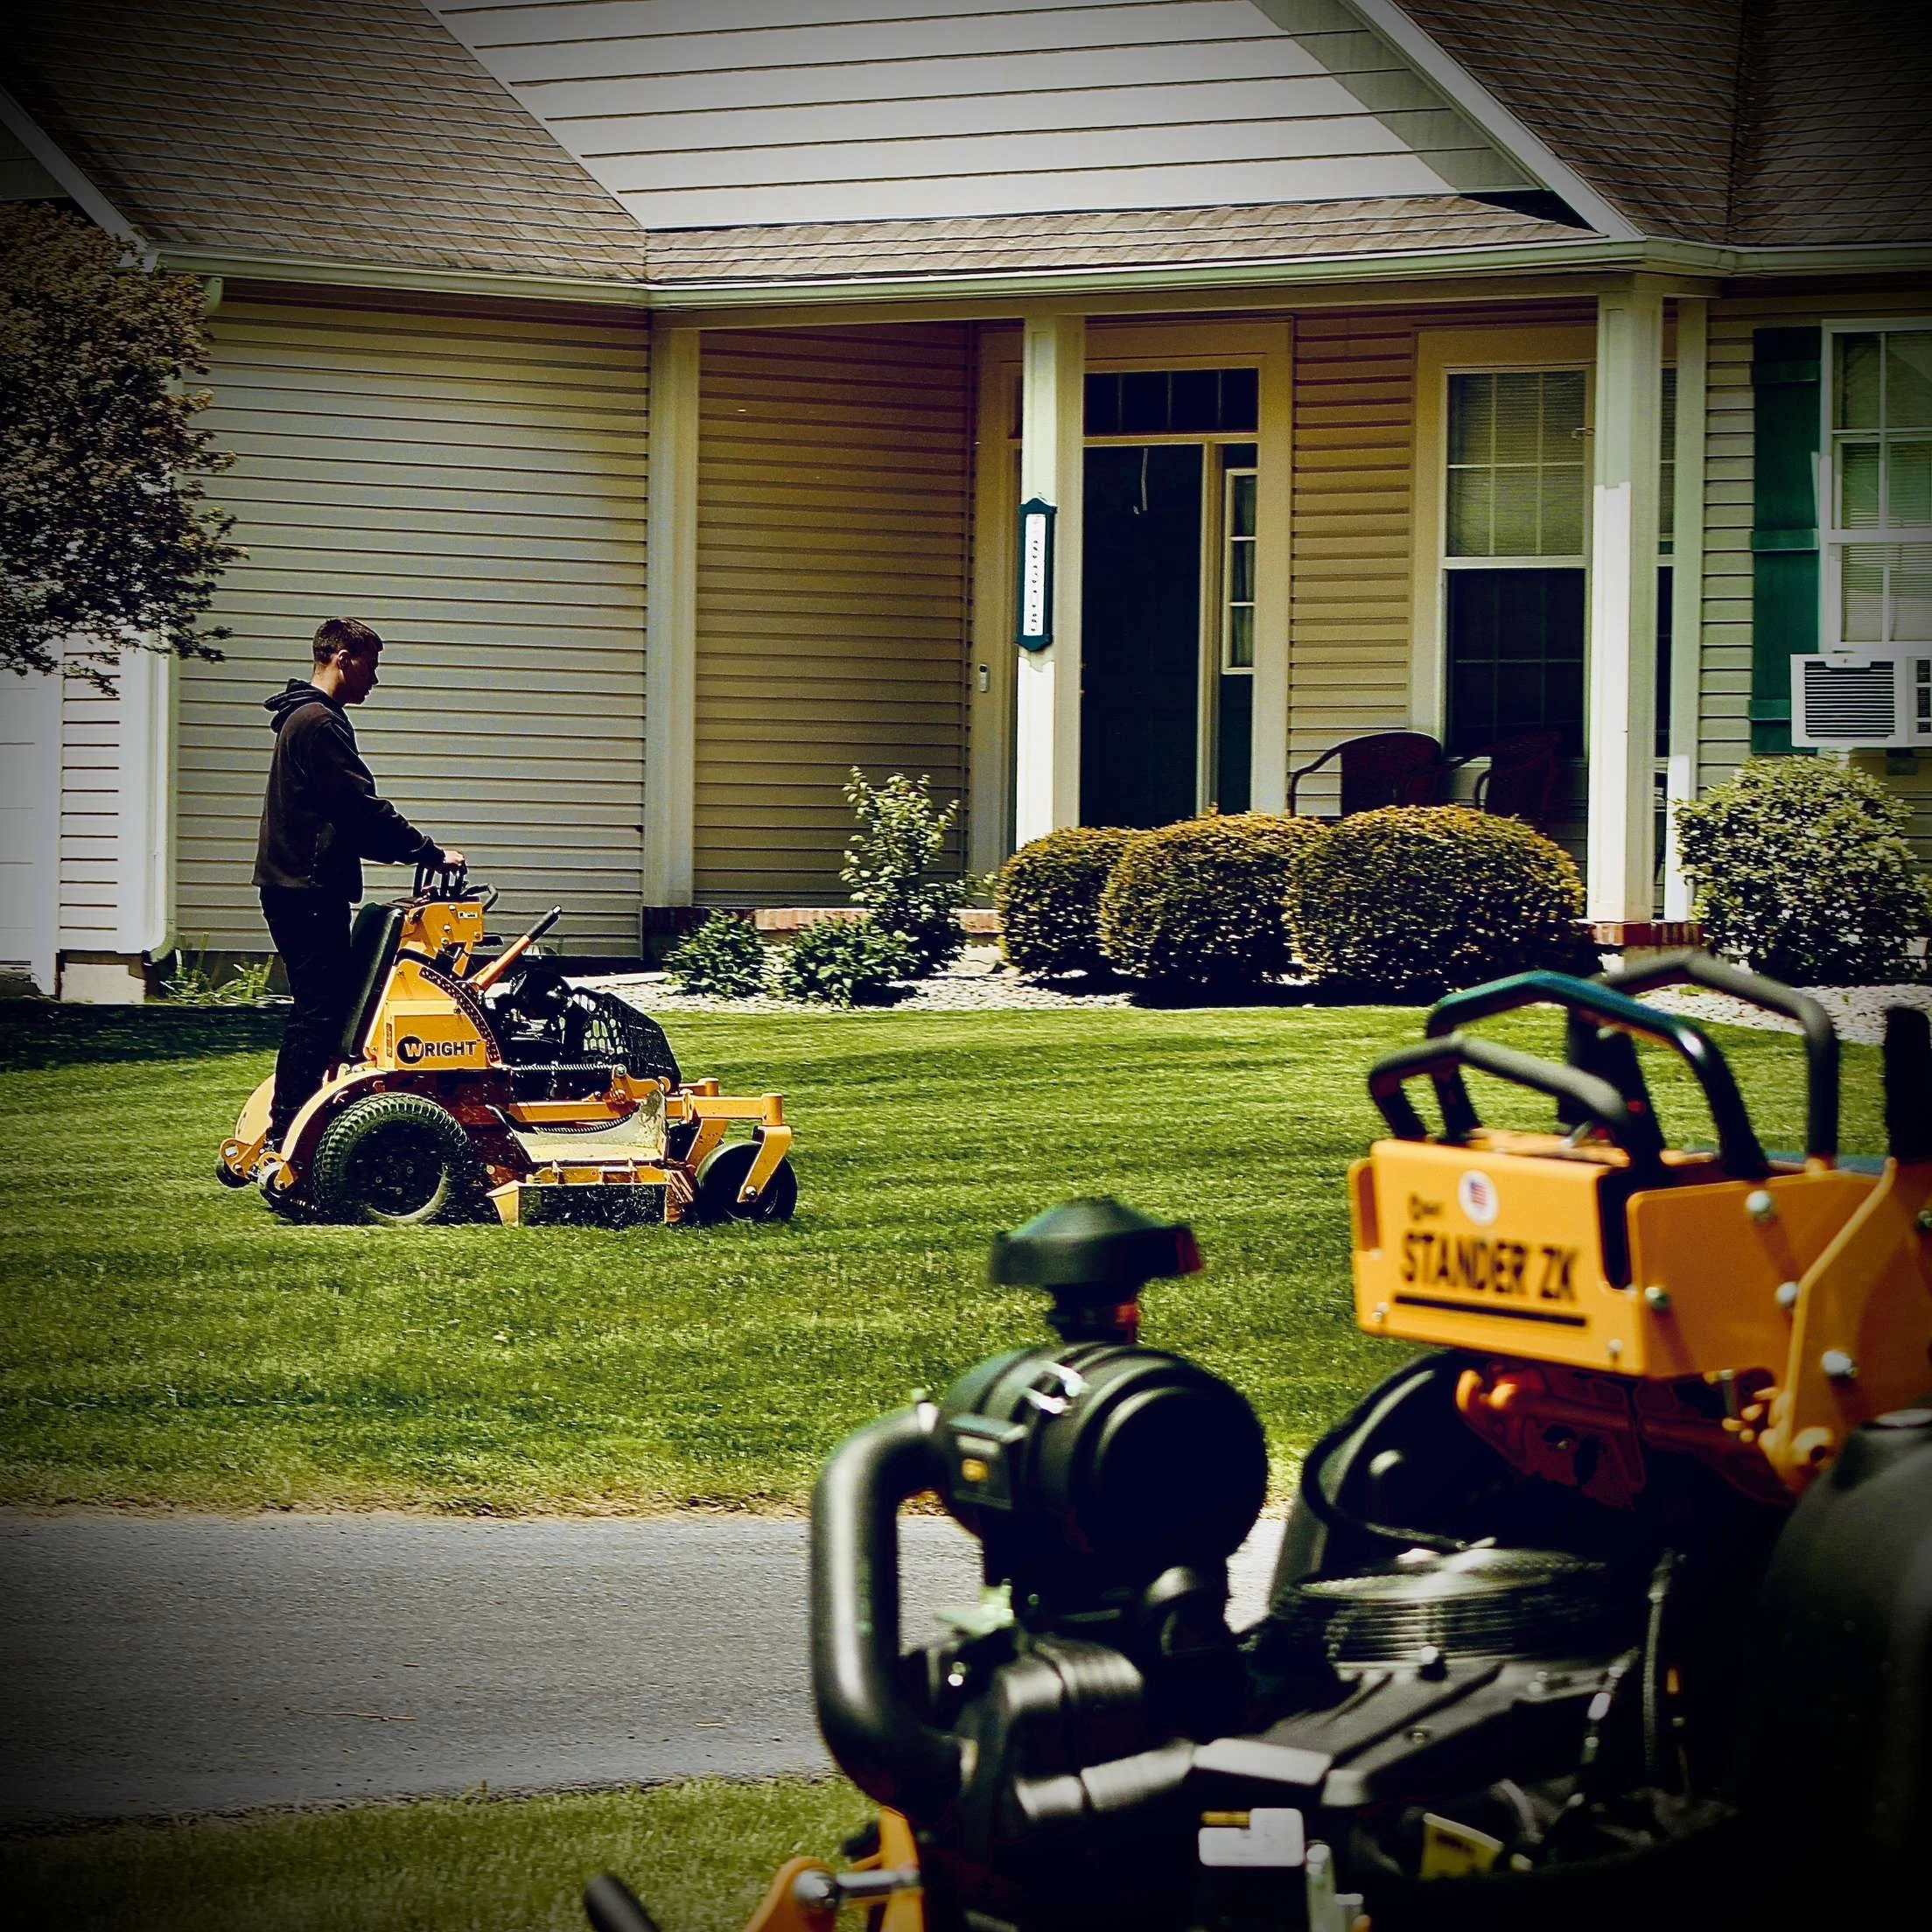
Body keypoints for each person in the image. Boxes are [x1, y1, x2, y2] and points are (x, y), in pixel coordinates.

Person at [254, 617, 464, 1144]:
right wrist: (429, 852)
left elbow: (350, 821)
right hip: (307, 888)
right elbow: (359, 811)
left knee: (330, 1008)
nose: (375, 679)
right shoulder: (319, 724)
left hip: (297, 885)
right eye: (372, 665)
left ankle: (306, 1122)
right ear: (344, 658)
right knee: (320, 1012)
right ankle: (290, 1135)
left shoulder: (301, 719)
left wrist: (409, 851)